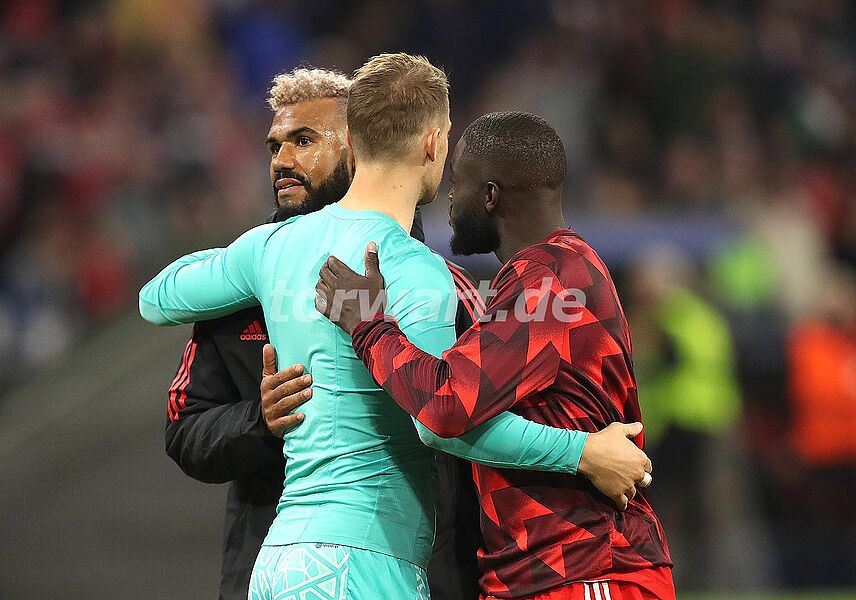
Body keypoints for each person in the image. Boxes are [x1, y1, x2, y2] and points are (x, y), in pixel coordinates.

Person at [141, 54, 649, 599]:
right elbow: (440, 419)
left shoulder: (270, 247)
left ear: (352, 141)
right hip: (362, 562)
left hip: (278, 563)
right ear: (433, 144)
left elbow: (156, 299)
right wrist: (581, 452)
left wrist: (248, 261)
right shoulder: (416, 271)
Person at [316, 111, 674, 599]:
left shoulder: (549, 277)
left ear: (489, 196)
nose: (449, 196)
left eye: (457, 182)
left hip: (586, 566)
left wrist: (367, 325)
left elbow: (447, 404)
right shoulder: (549, 273)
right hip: (535, 571)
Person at [162, 66, 486, 600]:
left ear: (358, 148)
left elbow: (466, 424)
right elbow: (183, 430)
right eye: (275, 146)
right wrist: (260, 421)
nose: (282, 160)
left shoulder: (444, 288)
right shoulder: (242, 291)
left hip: (414, 569)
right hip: (275, 561)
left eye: (304, 141)